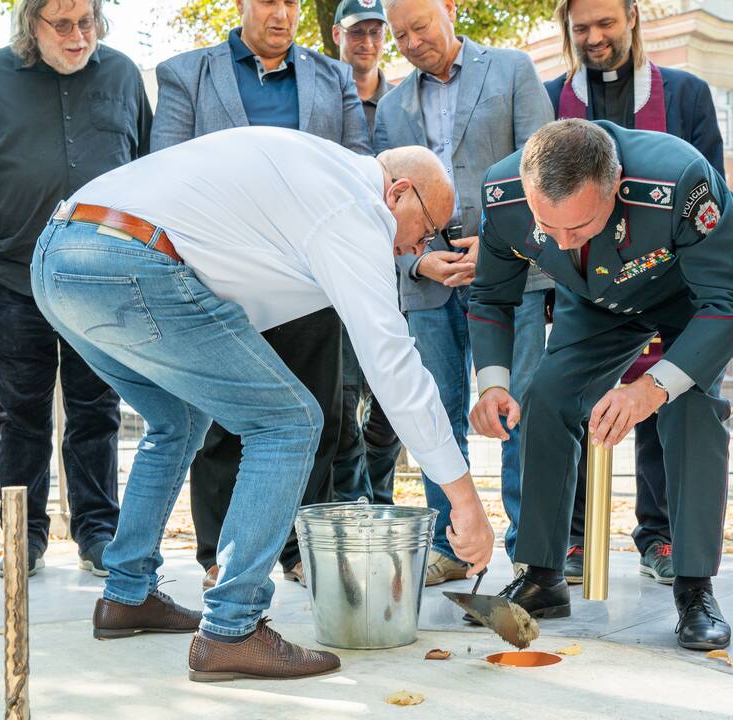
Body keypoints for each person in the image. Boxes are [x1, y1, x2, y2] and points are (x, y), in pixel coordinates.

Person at [31, 126, 495, 681]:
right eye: (428, 230)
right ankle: (232, 628)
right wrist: (463, 500)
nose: (421, 248)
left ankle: (127, 593)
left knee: (176, 420)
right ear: (397, 192)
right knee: (290, 421)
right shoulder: (353, 204)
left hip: (59, 259)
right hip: (129, 259)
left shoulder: (311, 173)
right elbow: (392, 359)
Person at [468, 119, 733, 650]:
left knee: (689, 408)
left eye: (577, 228)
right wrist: (492, 383)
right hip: (602, 294)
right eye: (546, 227)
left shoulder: (679, 183)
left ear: (616, 184)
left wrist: (652, 388)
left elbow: (732, 303)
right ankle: (542, 576)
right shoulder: (502, 190)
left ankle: (695, 589)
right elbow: (491, 295)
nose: (559, 242)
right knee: (548, 396)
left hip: (699, 293)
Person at [151, 0, 371, 591]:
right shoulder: (185, 74)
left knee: (319, 412)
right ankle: (220, 551)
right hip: (222, 273)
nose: (282, 13)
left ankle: (302, 546)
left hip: (308, 273)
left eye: (292, 2)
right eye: (269, 0)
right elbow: (163, 171)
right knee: (226, 419)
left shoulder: (333, 77)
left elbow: (360, 168)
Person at [0, 0, 152, 577]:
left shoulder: (125, 75)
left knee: (96, 409)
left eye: (88, 22)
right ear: (30, 24)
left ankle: (96, 532)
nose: (79, 36)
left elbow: (151, 172)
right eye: (62, 24)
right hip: (11, 279)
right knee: (21, 413)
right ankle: (23, 535)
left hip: (100, 281)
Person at [546, 0, 726, 587]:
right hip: (592, 286)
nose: (594, 38)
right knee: (570, 403)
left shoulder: (686, 95)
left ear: (632, 17)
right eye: (581, 29)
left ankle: (662, 535)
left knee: (667, 399)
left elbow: (712, 195)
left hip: (676, 283)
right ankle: (570, 542)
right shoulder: (553, 99)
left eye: (605, 23)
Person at [373, 0, 553, 584]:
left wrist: (499, 248)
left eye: (420, 26)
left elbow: (545, 169)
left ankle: (533, 553)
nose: (411, 42)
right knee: (436, 412)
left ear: (451, 9)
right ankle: (452, 547)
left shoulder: (512, 71)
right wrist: (419, 262)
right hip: (430, 289)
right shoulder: (391, 106)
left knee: (517, 408)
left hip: (510, 275)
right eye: (399, 35)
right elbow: (382, 208)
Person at [329, 0, 402, 505]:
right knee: (344, 392)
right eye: (358, 32)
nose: (368, 43)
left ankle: (380, 494)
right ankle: (350, 502)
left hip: (400, 266)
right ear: (338, 35)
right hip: (341, 264)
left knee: (393, 397)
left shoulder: (400, 101)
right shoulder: (324, 97)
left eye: (377, 32)